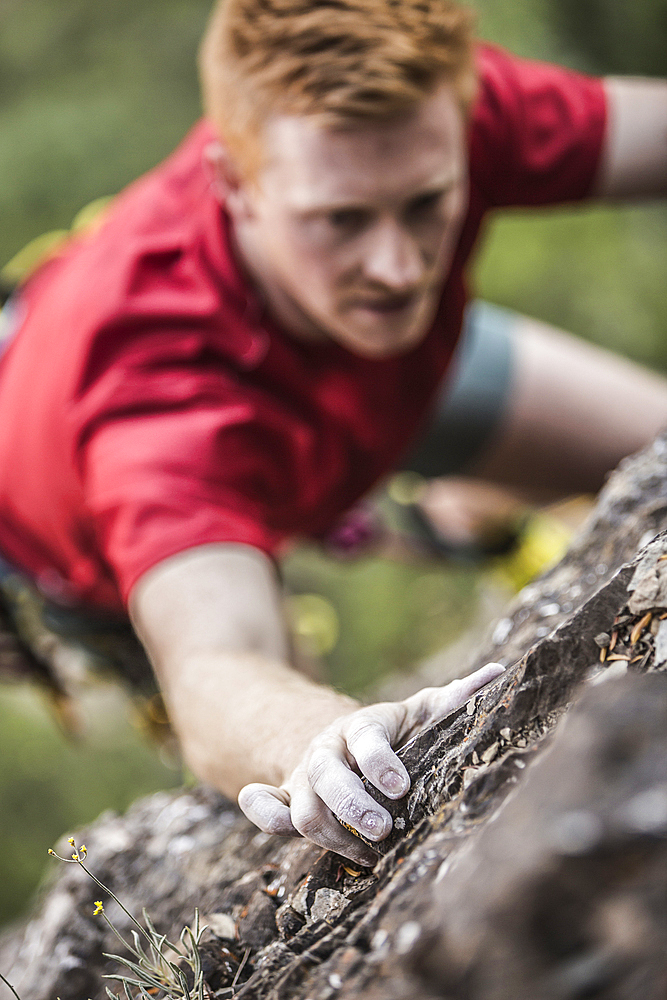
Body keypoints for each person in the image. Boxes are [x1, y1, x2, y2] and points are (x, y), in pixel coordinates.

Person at [0, 0, 666, 866]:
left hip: (370, 365)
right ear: (233, 185)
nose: (398, 265)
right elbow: (217, 670)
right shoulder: (154, 392)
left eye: (428, 205)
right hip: (95, 484)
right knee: (293, 715)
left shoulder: (431, 119)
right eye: (342, 219)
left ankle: (460, 508)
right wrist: (330, 736)